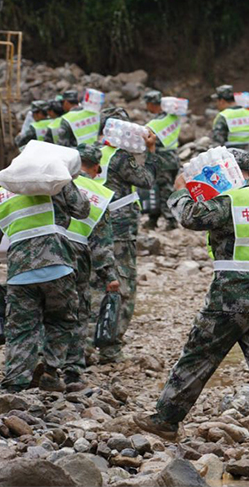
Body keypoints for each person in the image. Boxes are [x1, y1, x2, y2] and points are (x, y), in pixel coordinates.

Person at [135, 149, 249, 449]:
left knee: (199, 355)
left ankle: (166, 419)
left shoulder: (231, 200)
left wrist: (179, 192)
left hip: (230, 298)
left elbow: (191, 217)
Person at [0, 176, 90, 392]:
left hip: (20, 273)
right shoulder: (57, 183)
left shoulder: (6, 192)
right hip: (59, 268)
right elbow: (83, 210)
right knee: (61, 320)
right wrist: (67, 183)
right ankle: (51, 371)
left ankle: (15, 384)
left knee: (20, 328)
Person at [94, 107, 158, 363]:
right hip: (119, 231)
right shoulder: (120, 157)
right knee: (123, 286)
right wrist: (152, 151)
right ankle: (110, 347)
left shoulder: (92, 152)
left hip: (92, 229)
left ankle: (84, 346)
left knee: (93, 285)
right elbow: (147, 180)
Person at [61, 145, 119, 391]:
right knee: (78, 311)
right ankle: (72, 371)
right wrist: (110, 276)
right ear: (96, 167)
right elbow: (101, 244)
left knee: (48, 309)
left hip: (49, 252)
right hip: (78, 258)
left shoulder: (55, 184)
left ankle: (44, 360)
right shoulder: (99, 194)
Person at [142, 90, 182, 230]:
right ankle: (153, 219)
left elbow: (148, 141)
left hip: (161, 161)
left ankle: (171, 221)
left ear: (152, 104)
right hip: (173, 158)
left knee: (163, 191)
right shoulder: (173, 118)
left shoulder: (155, 124)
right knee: (161, 189)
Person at [211, 84, 249, 149]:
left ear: (222, 101)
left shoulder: (224, 116)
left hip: (229, 152)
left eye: (217, 101)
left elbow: (217, 142)